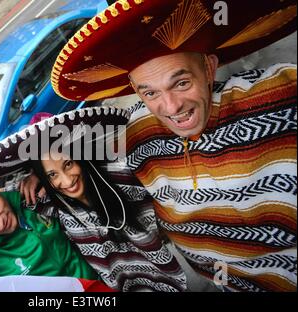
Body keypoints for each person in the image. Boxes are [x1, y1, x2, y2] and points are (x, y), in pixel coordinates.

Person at [49, 0, 297, 291]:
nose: (171, 107)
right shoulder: (135, 133)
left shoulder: (278, 97)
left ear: (208, 67)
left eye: (181, 83)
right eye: (150, 92)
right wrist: (36, 175)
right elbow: (83, 169)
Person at [0, 107, 188, 292]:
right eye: (53, 175)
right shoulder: (53, 205)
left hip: (166, 282)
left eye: (68, 164)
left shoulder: (119, 173)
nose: (67, 181)